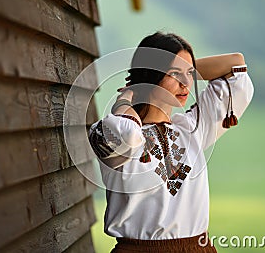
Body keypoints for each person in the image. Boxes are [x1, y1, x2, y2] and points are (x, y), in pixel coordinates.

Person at [88, 32, 254, 252]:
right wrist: (125, 100)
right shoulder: (109, 132)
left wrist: (184, 72)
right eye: (175, 74)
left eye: (189, 74)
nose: (186, 83)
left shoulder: (192, 129)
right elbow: (128, 133)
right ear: (152, 75)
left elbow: (236, 65)